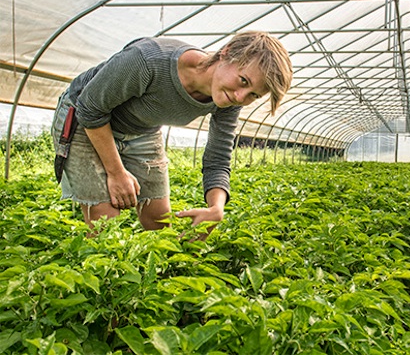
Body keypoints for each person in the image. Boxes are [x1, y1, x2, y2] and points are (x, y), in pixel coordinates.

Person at [51, 31, 293, 237]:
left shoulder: (230, 102)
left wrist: (216, 208)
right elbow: (91, 108)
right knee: (106, 222)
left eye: (254, 95)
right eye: (243, 80)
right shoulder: (148, 60)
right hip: (85, 118)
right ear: (227, 52)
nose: (241, 97)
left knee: (159, 222)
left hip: (141, 128)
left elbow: (218, 157)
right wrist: (116, 173)